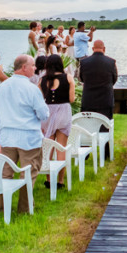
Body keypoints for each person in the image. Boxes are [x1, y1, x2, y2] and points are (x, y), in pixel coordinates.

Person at [0, 54, 49, 215]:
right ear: (24, 67)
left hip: (8, 137)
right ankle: (24, 209)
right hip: (28, 138)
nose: (35, 68)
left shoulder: (1, 87)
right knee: (29, 173)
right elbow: (44, 114)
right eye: (32, 65)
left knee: (6, 173)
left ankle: (1, 208)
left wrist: (0, 132)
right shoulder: (31, 89)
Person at [40, 56, 75, 186]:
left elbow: (39, 100)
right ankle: (60, 180)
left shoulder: (42, 80)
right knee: (61, 148)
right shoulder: (68, 78)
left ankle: (49, 179)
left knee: (48, 147)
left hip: (48, 113)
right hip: (64, 112)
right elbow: (71, 99)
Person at [79, 40, 118, 122]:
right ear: (104, 48)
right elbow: (114, 79)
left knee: (88, 128)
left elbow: (81, 78)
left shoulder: (83, 62)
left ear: (93, 48)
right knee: (104, 128)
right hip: (105, 100)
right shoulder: (111, 62)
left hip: (88, 100)